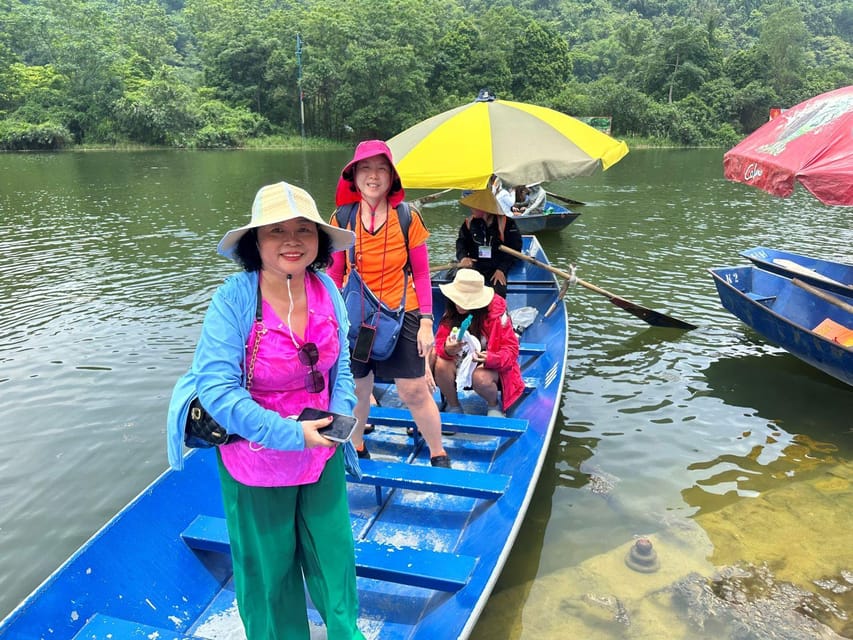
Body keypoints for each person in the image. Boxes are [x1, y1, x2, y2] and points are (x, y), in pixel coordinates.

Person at [170, 182, 365, 639]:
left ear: (319, 241)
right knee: (270, 575)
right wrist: (291, 434)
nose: (291, 240)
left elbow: (340, 369)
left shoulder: (328, 292)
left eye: (303, 230)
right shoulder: (234, 300)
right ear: (255, 243)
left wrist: (336, 422)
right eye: (276, 230)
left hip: (321, 454)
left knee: (334, 560)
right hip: (256, 460)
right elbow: (217, 390)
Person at [328, 139, 451, 468]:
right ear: (353, 177)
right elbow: (334, 273)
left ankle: (438, 452)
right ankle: (357, 444)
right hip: (358, 315)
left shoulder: (408, 217)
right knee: (357, 385)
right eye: (365, 168)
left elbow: (423, 275)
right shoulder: (343, 218)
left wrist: (427, 321)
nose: (373, 175)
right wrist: (328, 318)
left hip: (403, 311)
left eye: (381, 168)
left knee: (412, 390)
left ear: (392, 177)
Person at [433, 268, 525, 417]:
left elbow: (511, 350)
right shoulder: (451, 312)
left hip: (491, 365)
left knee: (480, 377)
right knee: (441, 364)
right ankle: (453, 405)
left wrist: (491, 358)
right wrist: (448, 349)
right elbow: (439, 344)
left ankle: (493, 404)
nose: (459, 304)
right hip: (460, 360)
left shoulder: (497, 315)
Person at [455, 188, 523, 298]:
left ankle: (497, 313)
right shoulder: (469, 223)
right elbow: (461, 243)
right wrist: (463, 258)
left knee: (498, 291)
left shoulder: (507, 223)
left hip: (497, 266)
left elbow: (514, 250)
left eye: (475, 206)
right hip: (475, 264)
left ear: (485, 208)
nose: (472, 209)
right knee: (461, 287)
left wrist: (502, 269)